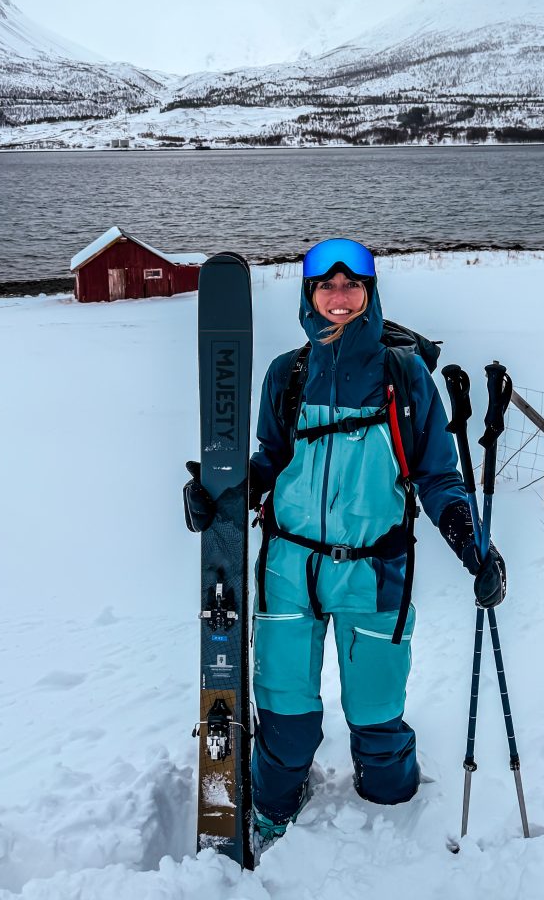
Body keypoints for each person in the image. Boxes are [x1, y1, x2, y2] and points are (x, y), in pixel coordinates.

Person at [185, 237, 506, 846]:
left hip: (376, 573)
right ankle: (275, 806)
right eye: (326, 286)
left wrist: (474, 547)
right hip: (289, 568)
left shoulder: (403, 375)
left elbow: (438, 476)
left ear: (369, 292)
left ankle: (395, 813)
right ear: (309, 294)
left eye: (351, 286)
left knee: (378, 722)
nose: (339, 297)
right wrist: (222, 496)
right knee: (284, 720)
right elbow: (271, 461)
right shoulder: (287, 373)